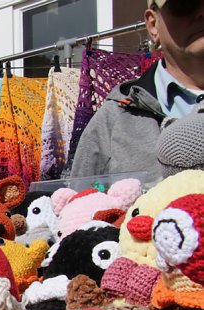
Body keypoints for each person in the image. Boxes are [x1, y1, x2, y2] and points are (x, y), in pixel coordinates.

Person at [70, 0, 204, 178]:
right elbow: (80, 202)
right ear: (153, 24)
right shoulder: (113, 121)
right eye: (184, 5)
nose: (202, 13)